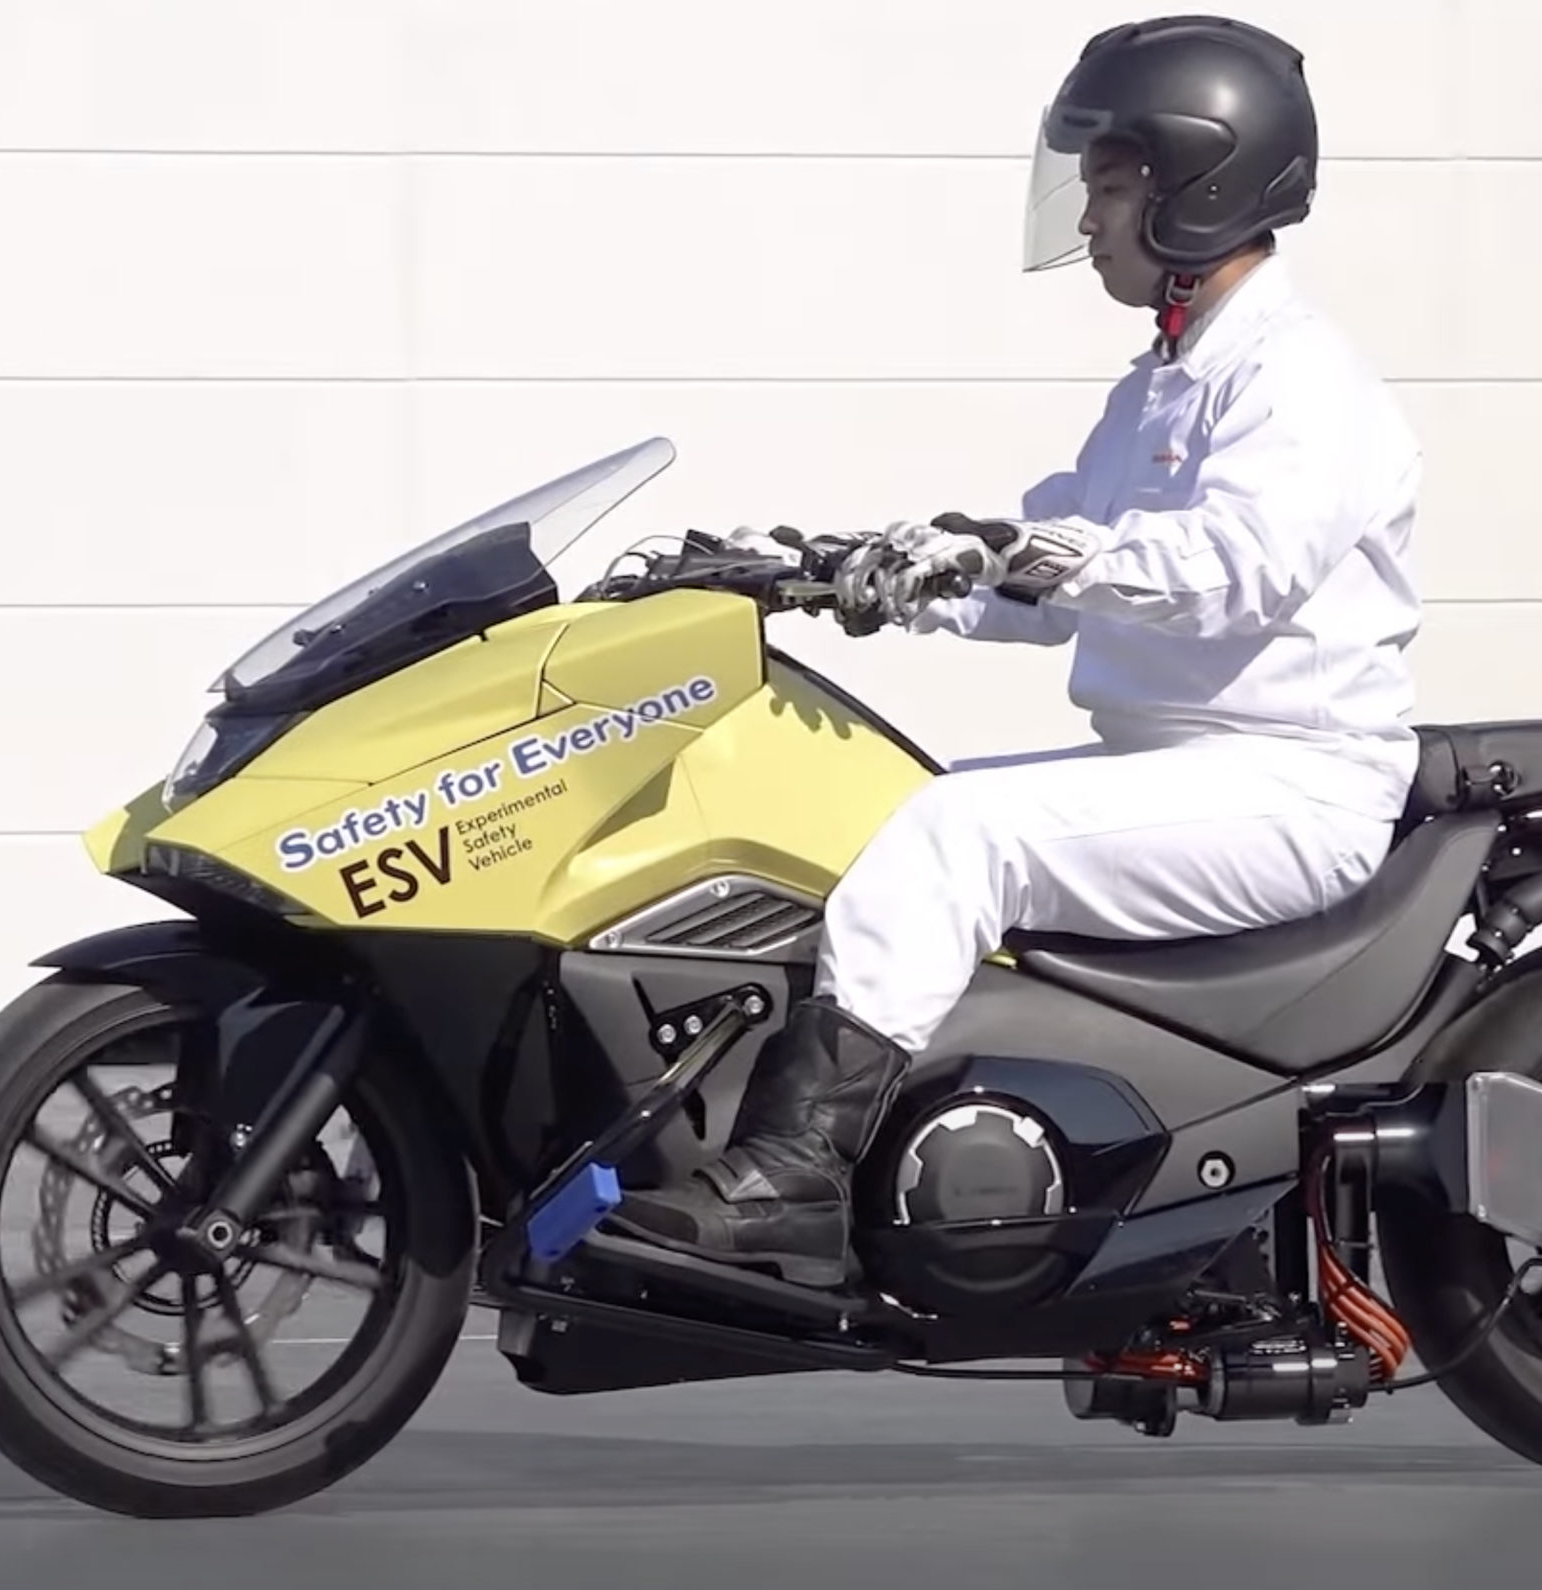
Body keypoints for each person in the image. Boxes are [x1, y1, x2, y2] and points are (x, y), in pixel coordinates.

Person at [606, 14, 1425, 1290]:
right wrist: (842, 569)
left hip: (1287, 784)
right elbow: (1048, 581)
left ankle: (797, 1173)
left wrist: (1022, 555)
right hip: (1179, 769)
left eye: (1113, 184)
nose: (1087, 216)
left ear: (1200, 184)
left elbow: (1228, 571)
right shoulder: (1163, 384)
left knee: (958, 834)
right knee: (884, 807)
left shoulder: (1299, 381)